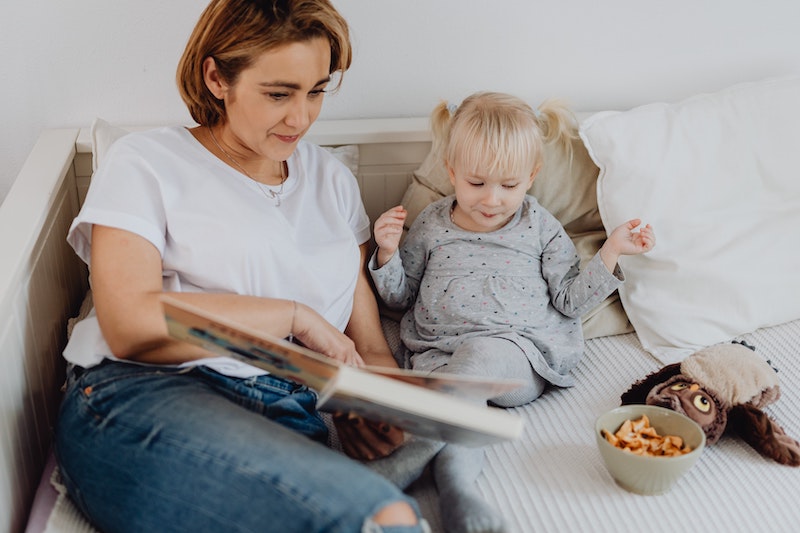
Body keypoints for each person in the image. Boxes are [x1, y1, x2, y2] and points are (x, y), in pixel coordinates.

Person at [54, 1, 431, 532]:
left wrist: (376, 404)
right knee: (376, 517)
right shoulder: (147, 162)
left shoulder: (331, 181)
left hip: (287, 412)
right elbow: (130, 323)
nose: (301, 117)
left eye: (317, 91)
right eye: (279, 94)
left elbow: (366, 348)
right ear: (216, 77)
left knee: (388, 513)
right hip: (150, 392)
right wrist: (293, 316)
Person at [367, 92, 656, 533]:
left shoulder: (540, 227)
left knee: (476, 363)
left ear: (531, 177)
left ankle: (405, 462)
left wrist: (612, 250)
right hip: (438, 357)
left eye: (509, 185)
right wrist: (386, 253)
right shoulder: (430, 224)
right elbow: (399, 299)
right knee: (462, 408)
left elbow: (569, 300)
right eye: (476, 183)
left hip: (517, 355)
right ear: (452, 172)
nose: (492, 199)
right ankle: (459, 495)